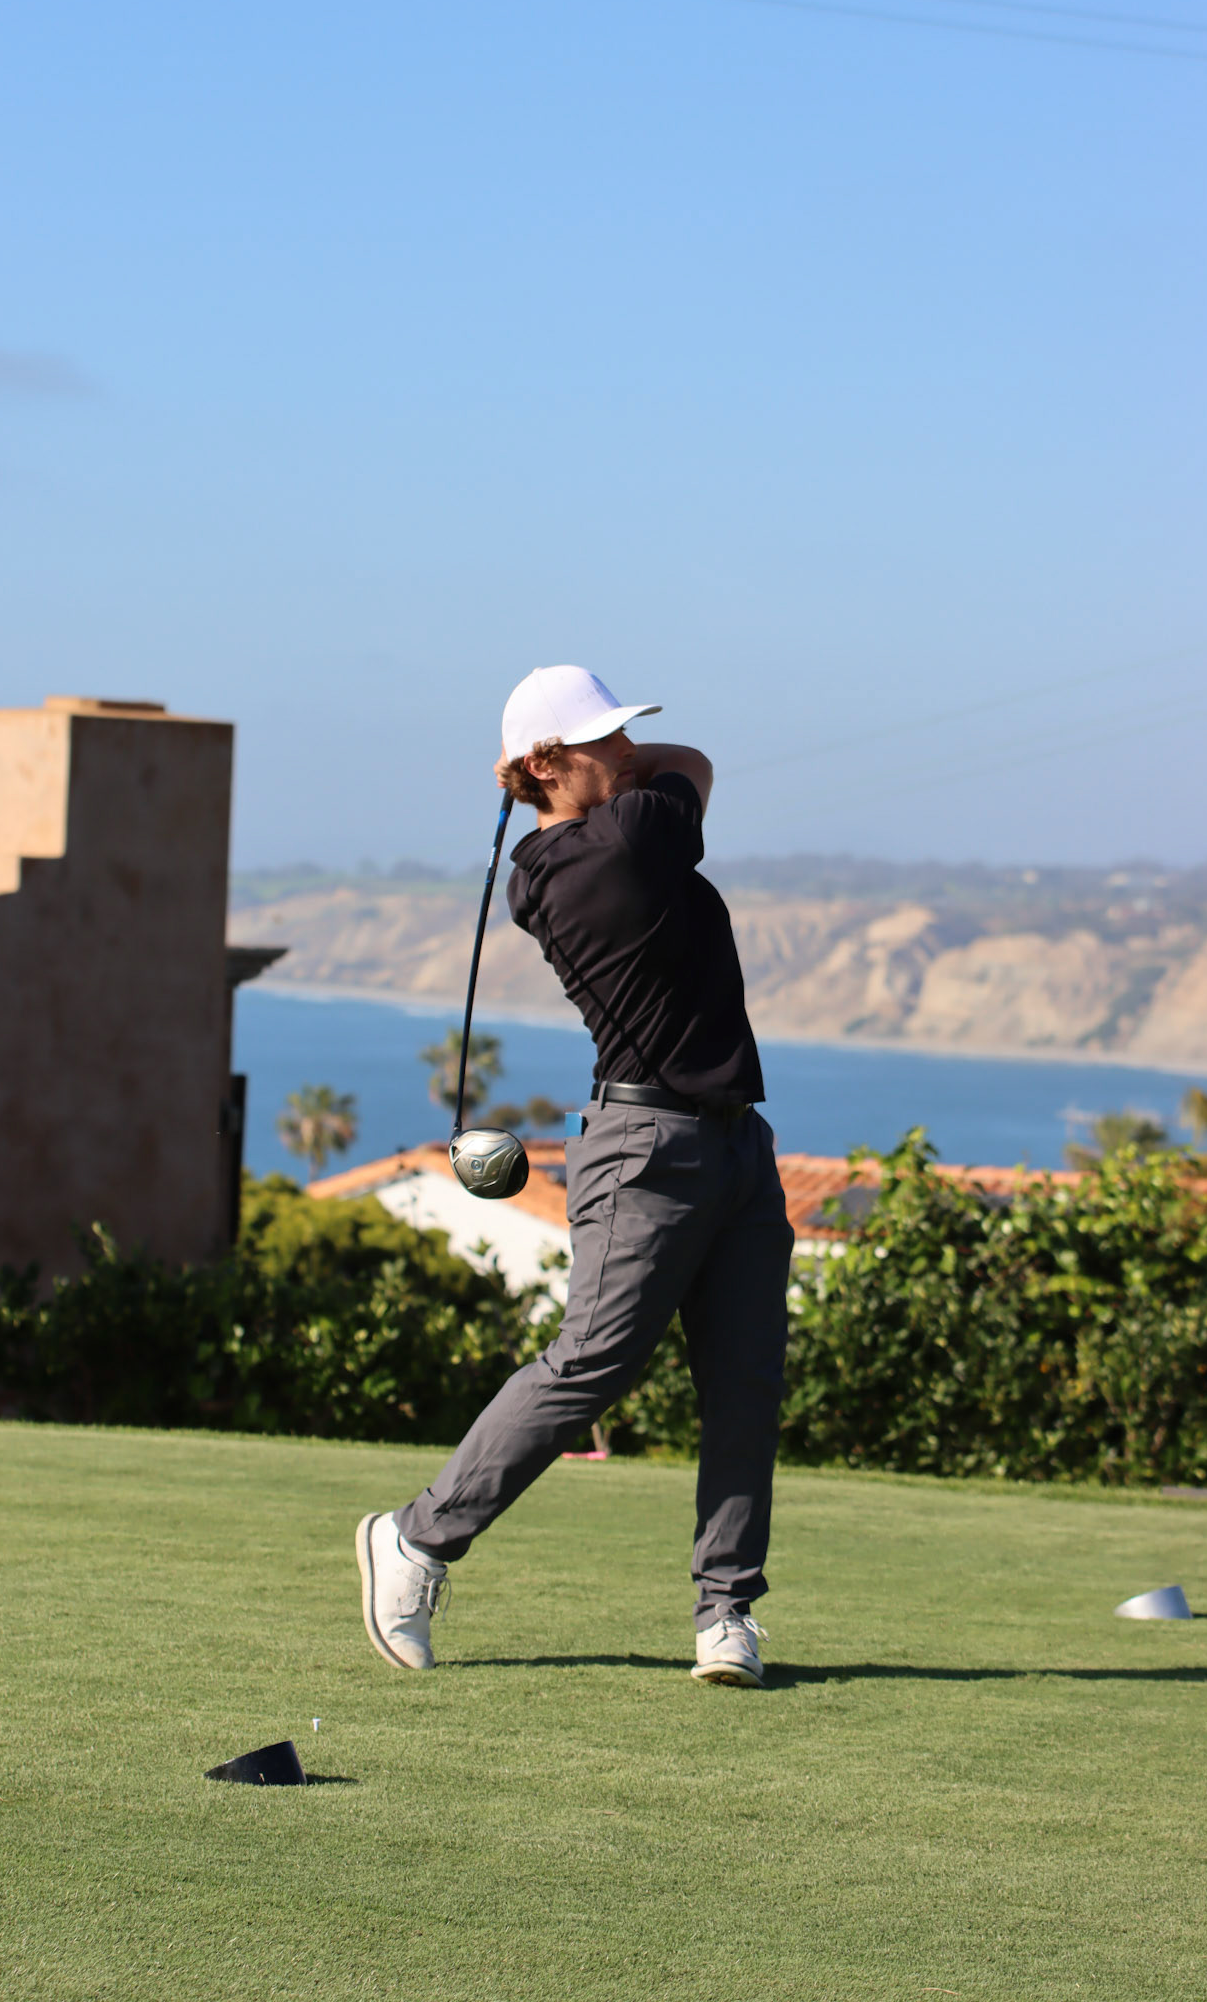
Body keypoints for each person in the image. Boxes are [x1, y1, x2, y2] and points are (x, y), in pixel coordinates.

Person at [357, 665, 793, 1687]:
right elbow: (694, 762)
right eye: (606, 739)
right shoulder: (624, 839)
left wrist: (560, 766)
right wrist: (599, 768)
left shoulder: (562, 855)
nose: (629, 751)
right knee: (590, 1361)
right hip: (648, 1151)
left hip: (733, 1142)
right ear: (549, 763)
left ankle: (725, 1610)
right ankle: (415, 1538)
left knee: (746, 1382)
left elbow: (668, 765)